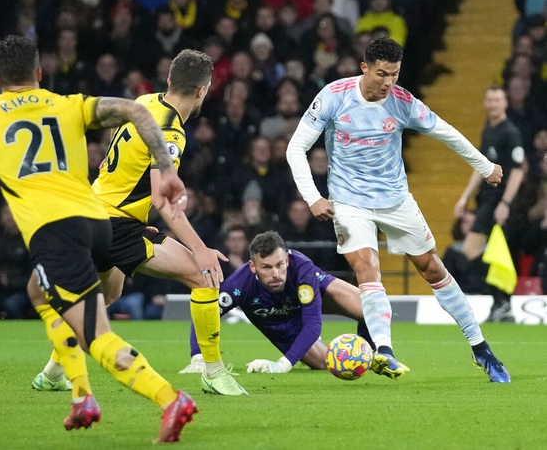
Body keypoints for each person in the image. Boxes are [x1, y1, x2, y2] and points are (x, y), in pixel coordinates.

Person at [0, 35, 196, 443]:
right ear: (38, 73)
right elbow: (138, 111)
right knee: (38, 291)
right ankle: (81, 395)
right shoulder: (69, 103)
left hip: (55, 232)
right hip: (97, 222)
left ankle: (169, 399)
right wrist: (166, 168)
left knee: (97, 334)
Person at [285, 37, 511, 383]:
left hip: (395, 199)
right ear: (364, 68)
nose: (389, 82)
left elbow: (446, 133)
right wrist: (313, 197)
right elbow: (296, 148)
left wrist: (485, 167)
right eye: (382, 74)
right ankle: (384, 351)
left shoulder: (403, 102)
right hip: (349, 200)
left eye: (395, 74)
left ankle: (480, 347)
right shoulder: (334, 96)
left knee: (431, 268)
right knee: (365, 266)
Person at [31, 49, 247, 396]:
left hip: (95, 208)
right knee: (202, 274)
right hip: (115, 222)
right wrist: (201, 248)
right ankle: (214, 372)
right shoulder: (171, 132)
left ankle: (53, 372)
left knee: (107, 293)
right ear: (203, 90)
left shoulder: (145, 101)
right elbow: (164, 201)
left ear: (169, 80)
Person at [179, 231, 371, 374]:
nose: (276, 274)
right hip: (279, 322)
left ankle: (375, 354)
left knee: (369, 307)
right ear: (253, 267)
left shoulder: (302, 267)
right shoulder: (238, 285)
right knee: (325, 364)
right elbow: (206, 312)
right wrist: (198, 357)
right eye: (266, 267)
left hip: (311, 299)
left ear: (286, 260)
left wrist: (281, 365)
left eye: (279, 265)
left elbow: (313, 324)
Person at [454, 85, 525, 322]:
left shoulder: (509, 132)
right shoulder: (489, 129)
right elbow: (480, 167)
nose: (493, 104)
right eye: (490, 100)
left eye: (497, 100)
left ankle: (502, 300)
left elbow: (518, 171)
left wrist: (505, 203)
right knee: (486, 253)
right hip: (486, 199)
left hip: (499, 202)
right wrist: (464, 197)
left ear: (505, 103)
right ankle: (501, 302)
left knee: (475, 250)